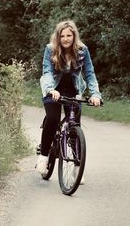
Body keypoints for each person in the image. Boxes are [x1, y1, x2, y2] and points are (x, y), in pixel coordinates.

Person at [36, 20, 102, 176]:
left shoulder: (82, 51)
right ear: (58, 37)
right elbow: (47, 72)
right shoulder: (50, 50)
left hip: (73, 90)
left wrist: (95, 94)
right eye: (62, 36)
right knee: (52, 118)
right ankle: (44, 156)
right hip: (53, 89)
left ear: (74, 36)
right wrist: (51, 89)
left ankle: (77, 168)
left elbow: (90, 74)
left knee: (74, 127)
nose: (65, 39)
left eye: (69, 35)